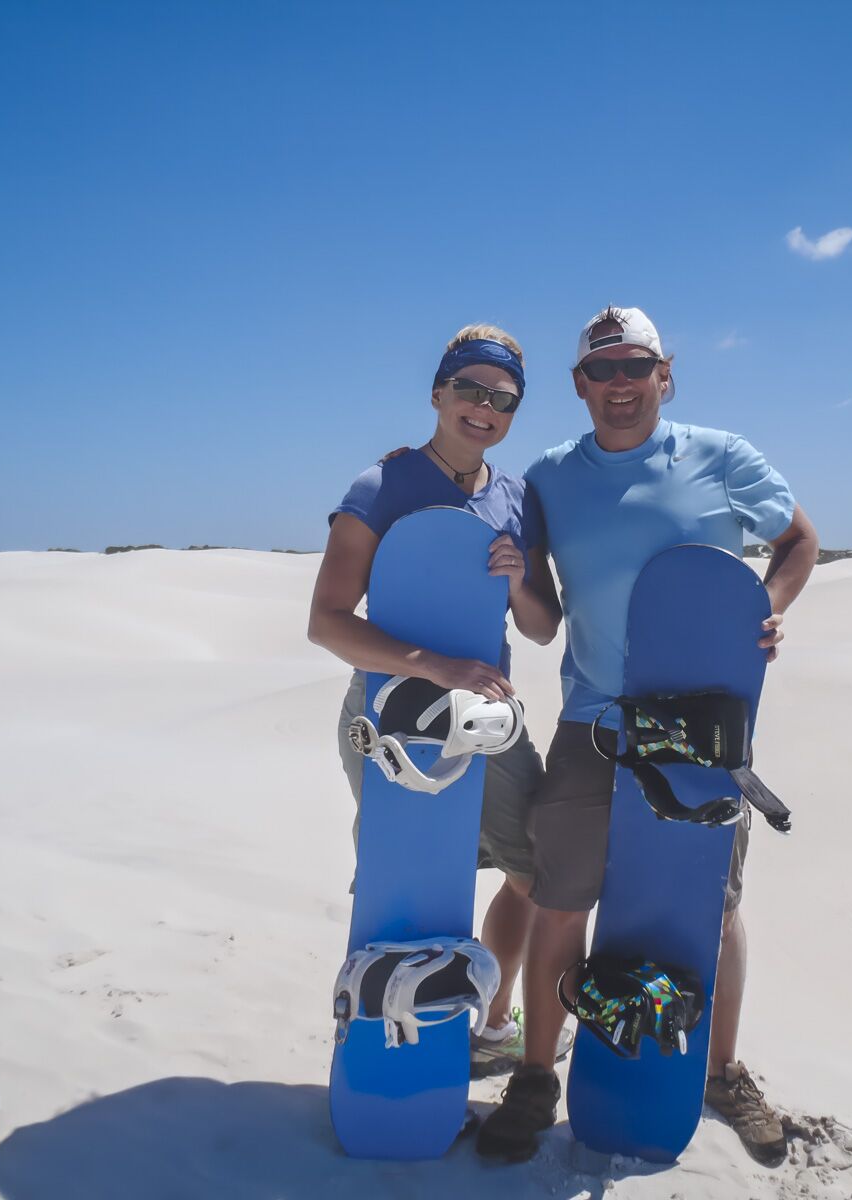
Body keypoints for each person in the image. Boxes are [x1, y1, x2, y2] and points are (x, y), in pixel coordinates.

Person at [476, 306, 819, 1165]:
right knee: (559, 902)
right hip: (593, 727)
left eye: (637, 368)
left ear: (666, 374)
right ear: (580, 385)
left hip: (700, 734)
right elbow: (547, 622)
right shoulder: (551, 478)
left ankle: (721, 1071)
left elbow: (800, 540)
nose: (621, 386)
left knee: (714, 907)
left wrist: (766, 610)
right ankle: (535, 1077)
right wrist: (516, 585)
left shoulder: (723, 457)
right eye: (604, 372)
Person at [307, 324, 563, 1075]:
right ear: (438, 394)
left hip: (487, 713)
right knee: (402, 875)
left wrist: (518, 578)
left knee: (534, 870)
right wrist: (436, 666)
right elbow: (327, 623)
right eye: (470, 390)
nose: (484, 407)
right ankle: (378, 1029)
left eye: (503, 398)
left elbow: (542, 629)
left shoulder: (518, 498)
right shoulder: (379, 487)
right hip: (387, 711)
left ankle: (490, 1021)